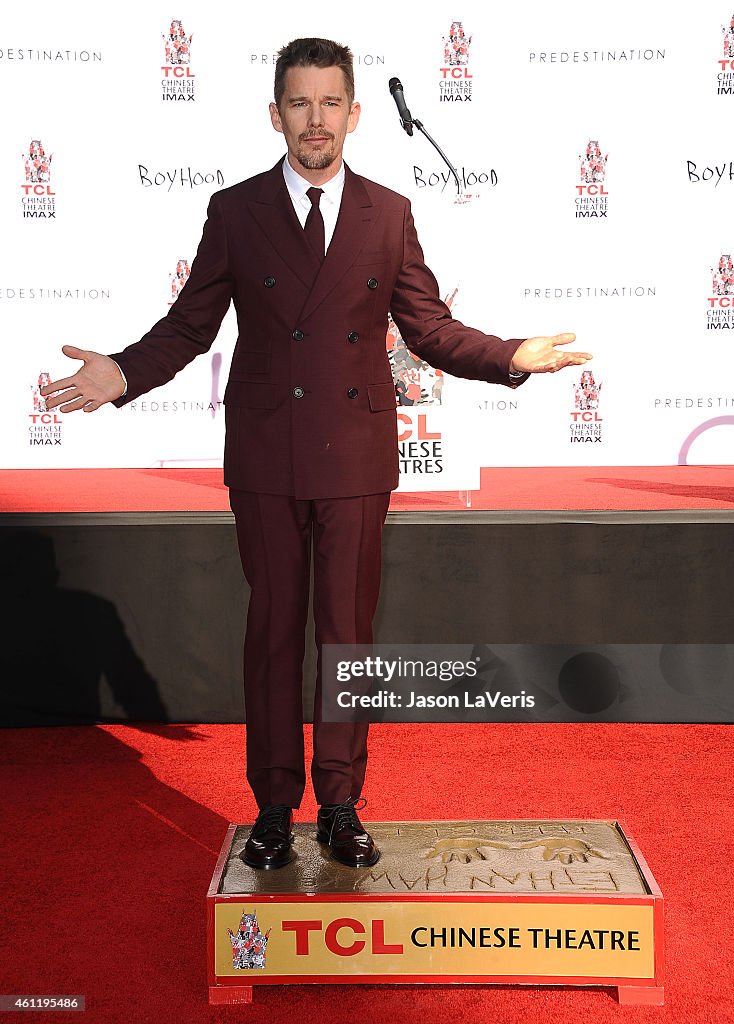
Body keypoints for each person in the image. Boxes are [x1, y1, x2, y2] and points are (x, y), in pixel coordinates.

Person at [42, 37, 591, 871]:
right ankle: (271, 807)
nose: (315, 119)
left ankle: (339, 804)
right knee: (271, 635)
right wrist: (121, 373)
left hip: (356, 457)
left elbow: (429, 328)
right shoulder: (235, 210)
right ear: (276, 115)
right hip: (265, 454)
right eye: (299, 103)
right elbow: (191, 325)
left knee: (346, 637)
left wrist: (511, 354)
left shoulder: (389, 212)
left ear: (355, 115)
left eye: (330, 102)